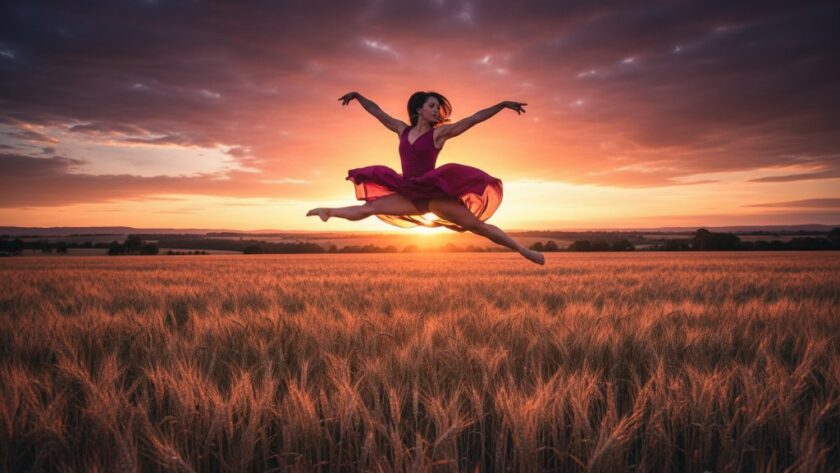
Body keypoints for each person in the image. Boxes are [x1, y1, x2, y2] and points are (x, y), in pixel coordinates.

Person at [306, 91, 545, 265]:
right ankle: (328, 211)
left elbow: (473, 119)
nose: (437, 110)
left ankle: (523, 250)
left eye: (438, 108)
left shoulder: (439, 134)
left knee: (476, 226)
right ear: (419, 109)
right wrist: (358, 97)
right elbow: (378, 112)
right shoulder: (402, 130)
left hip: (431, 194)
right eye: (432, 106)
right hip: (408, 191)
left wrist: (501, 104)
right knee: (371, 207)